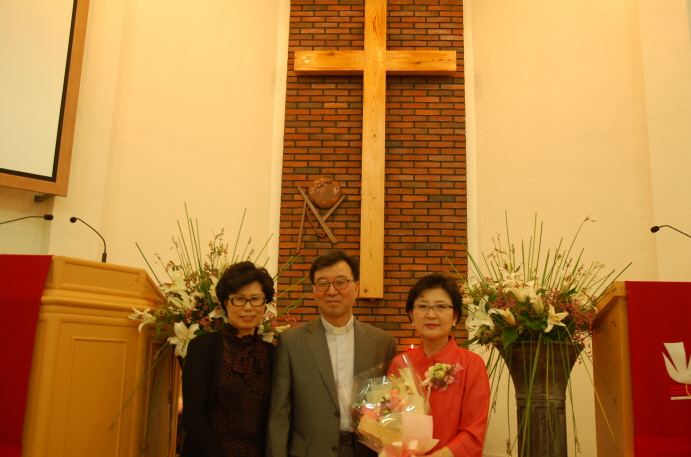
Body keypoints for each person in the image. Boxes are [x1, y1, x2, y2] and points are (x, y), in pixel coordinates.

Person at [266, 250, 399, 457]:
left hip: (365, 451)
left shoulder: (382, 342)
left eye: (340, 282)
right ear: (314, 290)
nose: (331, 291)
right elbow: (280, 413)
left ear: (356, 288)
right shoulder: (292, 342)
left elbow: (393, 407)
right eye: (322, 284)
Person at [181, 261, 275, 457]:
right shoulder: (203, 347)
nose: (248, 307)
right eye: (239, 299)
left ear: (264, 304)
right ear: (225, 302)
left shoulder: (273, 354)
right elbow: (193, 417)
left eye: (256, 299)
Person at [391, 273, 489, 457]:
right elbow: (391, 422)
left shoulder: (471, 364)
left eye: (441, 306)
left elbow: (474, 432)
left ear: (455, 316)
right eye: (422, 306)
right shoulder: (400, 363)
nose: (431, 314)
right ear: (411, 314)